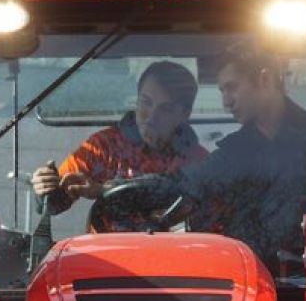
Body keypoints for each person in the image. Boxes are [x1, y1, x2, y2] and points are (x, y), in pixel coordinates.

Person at [177, 46, 306, 270]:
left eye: (232, 88)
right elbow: (187, 184)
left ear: (264, 80)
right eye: (222, 91)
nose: (226, 102)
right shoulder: (233, 153)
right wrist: (133, 188)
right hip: (250, 275)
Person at [31, 60, 207, 228]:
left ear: (185, 114)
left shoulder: (199, 162)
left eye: (165, 108)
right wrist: (46, 189)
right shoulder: (102, 147)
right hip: (107, 254)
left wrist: (101, 190)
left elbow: (214, 218)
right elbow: (57, 202)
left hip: (176, 254)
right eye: (146, 102)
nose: (152, 116)